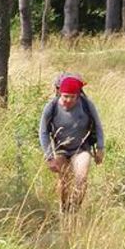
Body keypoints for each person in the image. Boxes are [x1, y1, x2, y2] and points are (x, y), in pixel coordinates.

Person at [39, 74, 105, 214]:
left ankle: (74, 210)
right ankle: (64, 209)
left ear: (78, 95)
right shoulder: (51, 107)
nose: (68, 100)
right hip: (61, 150)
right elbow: (43, 132)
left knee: (81, 180)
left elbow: (98, 125)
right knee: (64, 183)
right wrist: (49, 157)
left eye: (72, 97)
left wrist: (100, 148)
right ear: (59, 93)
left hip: (81, 149)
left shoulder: (86, 104)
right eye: (65, 96)